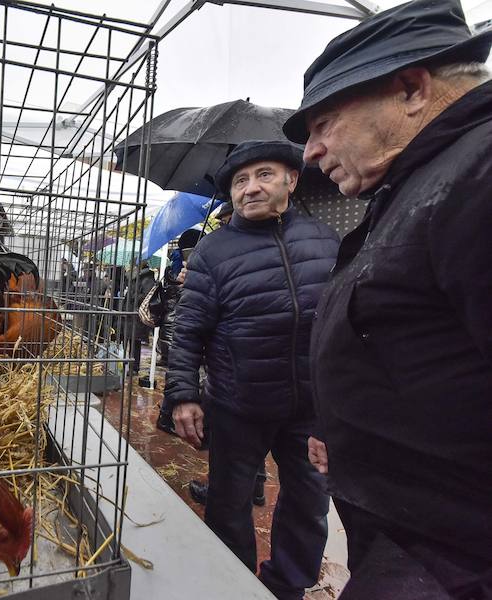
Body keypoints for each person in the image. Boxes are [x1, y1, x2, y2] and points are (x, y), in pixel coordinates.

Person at [283, 0, 492, 596]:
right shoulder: (425, 179)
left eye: (323, 124)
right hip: (416, 543)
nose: (311, 153)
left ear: (410, 89)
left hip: (455, 563)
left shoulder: (480, 174)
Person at [164, 140, 340, 599]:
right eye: (241, 181)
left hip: (310, 409)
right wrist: (183, 395)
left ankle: (286, 587)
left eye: (264, 175)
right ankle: (235, 587)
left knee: (309, 504)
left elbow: (346, 323)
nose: (251, 188)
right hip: (237, 406)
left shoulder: (326, 242)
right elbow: (187, 331)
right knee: (228, 503)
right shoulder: (214, 252)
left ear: (291, 180)